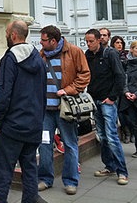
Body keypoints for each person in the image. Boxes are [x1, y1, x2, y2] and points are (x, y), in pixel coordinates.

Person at [0, 20, 47, 203]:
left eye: (7, 32)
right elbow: (43, 93)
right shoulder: (38, 58)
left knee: (2, 174)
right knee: (30, 169)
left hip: (12, 127)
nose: (6, 35)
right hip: (33, 125)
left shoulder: (10, 59)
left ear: (13, 35)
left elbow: (3, 94)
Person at [37, 25, 90, 195]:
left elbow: (85, 75)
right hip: (45, 110)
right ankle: (45, 178)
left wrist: (67, 90)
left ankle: (71, 181)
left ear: (53, 41)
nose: (41, 42)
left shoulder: (74, 52)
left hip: (65, 109)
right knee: (44, 144)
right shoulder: (42, 54)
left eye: (44, 40)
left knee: (70, 144)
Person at [84, 29, 129, 185]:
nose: (88, 44)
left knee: (111, 137)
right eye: (86, 41)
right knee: (102, 136)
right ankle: (109, 166)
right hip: (94, 100)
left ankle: (122, 172)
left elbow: (120, 76)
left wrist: (112, 97)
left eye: (91, 41)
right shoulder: (87, 55)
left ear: (99, 40)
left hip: (107, 100)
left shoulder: (110, 54)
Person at [120, 41, 137, 158]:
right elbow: (123, 78)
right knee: (134, 124)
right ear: (131, 50)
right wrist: (126, 92)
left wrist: (136, 94)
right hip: (128, 97)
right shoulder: (126, 63)